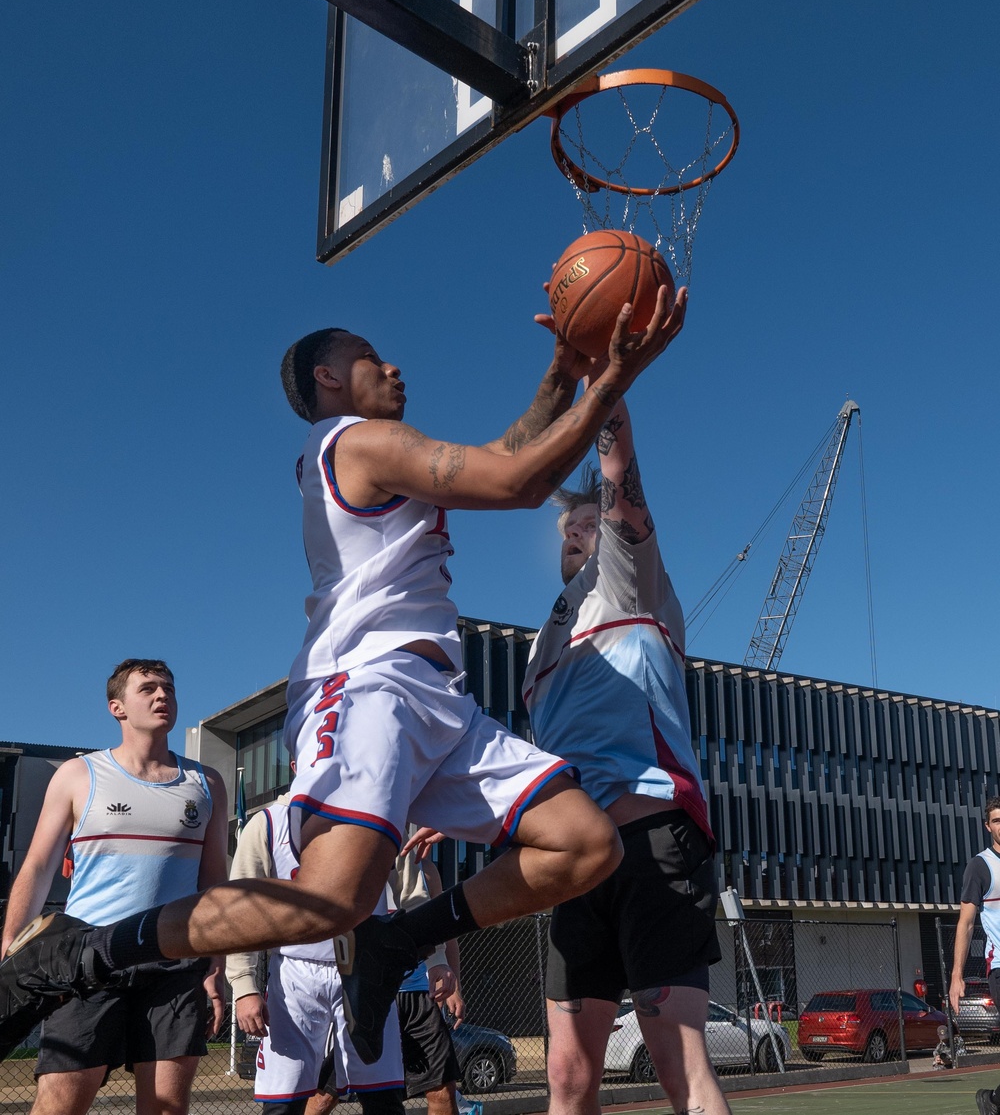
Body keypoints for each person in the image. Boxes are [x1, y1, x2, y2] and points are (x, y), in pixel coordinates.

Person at [0, 285, 687, 1072]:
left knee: (585, 845)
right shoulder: (355, 441)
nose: (392, 365)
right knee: (330, 900)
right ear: (329, 379)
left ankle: (399, 938)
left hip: (436, 702)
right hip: (366, 687)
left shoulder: (374, 454)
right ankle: (81, 952)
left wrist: (563, 373)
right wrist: (615, 380)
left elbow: (505, 455)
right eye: (368, 356)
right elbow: (516, 482)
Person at [520, 384, 730, 1115]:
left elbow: (618, 477)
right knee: (569, 1081)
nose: (578, 532)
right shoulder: (539, 651)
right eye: (567, 528)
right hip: (577, 867)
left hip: (652, 839)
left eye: (589, 523)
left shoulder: (631, 582)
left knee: (678, 1068)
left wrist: (606, 379)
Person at [0, 659, 228, 1115]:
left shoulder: (207, 784)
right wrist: (10, 940)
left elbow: (213, 884)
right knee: (59, 1106)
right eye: (148, 688)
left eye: (168, 687)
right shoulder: (79, 775)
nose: (163, 695)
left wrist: (215, 968)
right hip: (87, 960)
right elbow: (40, 864)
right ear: (117, 707)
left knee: (166, 1108)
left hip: (174, 962)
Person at [226, 778, 405, 1115]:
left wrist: (436, 957)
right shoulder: (267, 822)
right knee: (284, 1101)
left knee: (383, 1097)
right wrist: (244, 986)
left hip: (367, 970)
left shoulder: (378, 812)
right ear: (296, 763)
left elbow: (411, 890)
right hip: (295, 971)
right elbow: (240, 910)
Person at [391, 848, 463, 1115]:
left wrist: (454, 987)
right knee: (324, 1096)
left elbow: (446, 932)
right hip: (370, 994)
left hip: (419, 993)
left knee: (443, 1092)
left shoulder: (427, 871)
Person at [949, 796, 1000, 1115]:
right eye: (997, 820)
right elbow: (966, 924)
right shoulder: (980, 866)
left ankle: (994, 1101)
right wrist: (956, 976)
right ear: (988, 826)